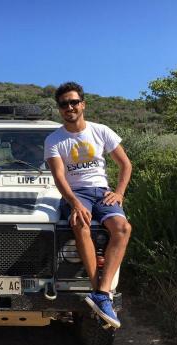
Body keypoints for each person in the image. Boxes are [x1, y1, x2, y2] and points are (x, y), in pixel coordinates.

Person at [44, 82, 132, 328]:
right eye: (64, 104)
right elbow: (59, 177)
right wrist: (73, 203)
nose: (69, 107)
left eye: (74, 102)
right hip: (76, 192)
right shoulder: (54, 139)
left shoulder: (101, 131)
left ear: (83, 104)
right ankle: (99, 292)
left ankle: (102, 293)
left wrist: (120, 193)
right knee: (80, 222)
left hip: (102, 192)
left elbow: (126, 164)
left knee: (123, 228)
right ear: (59, 109)